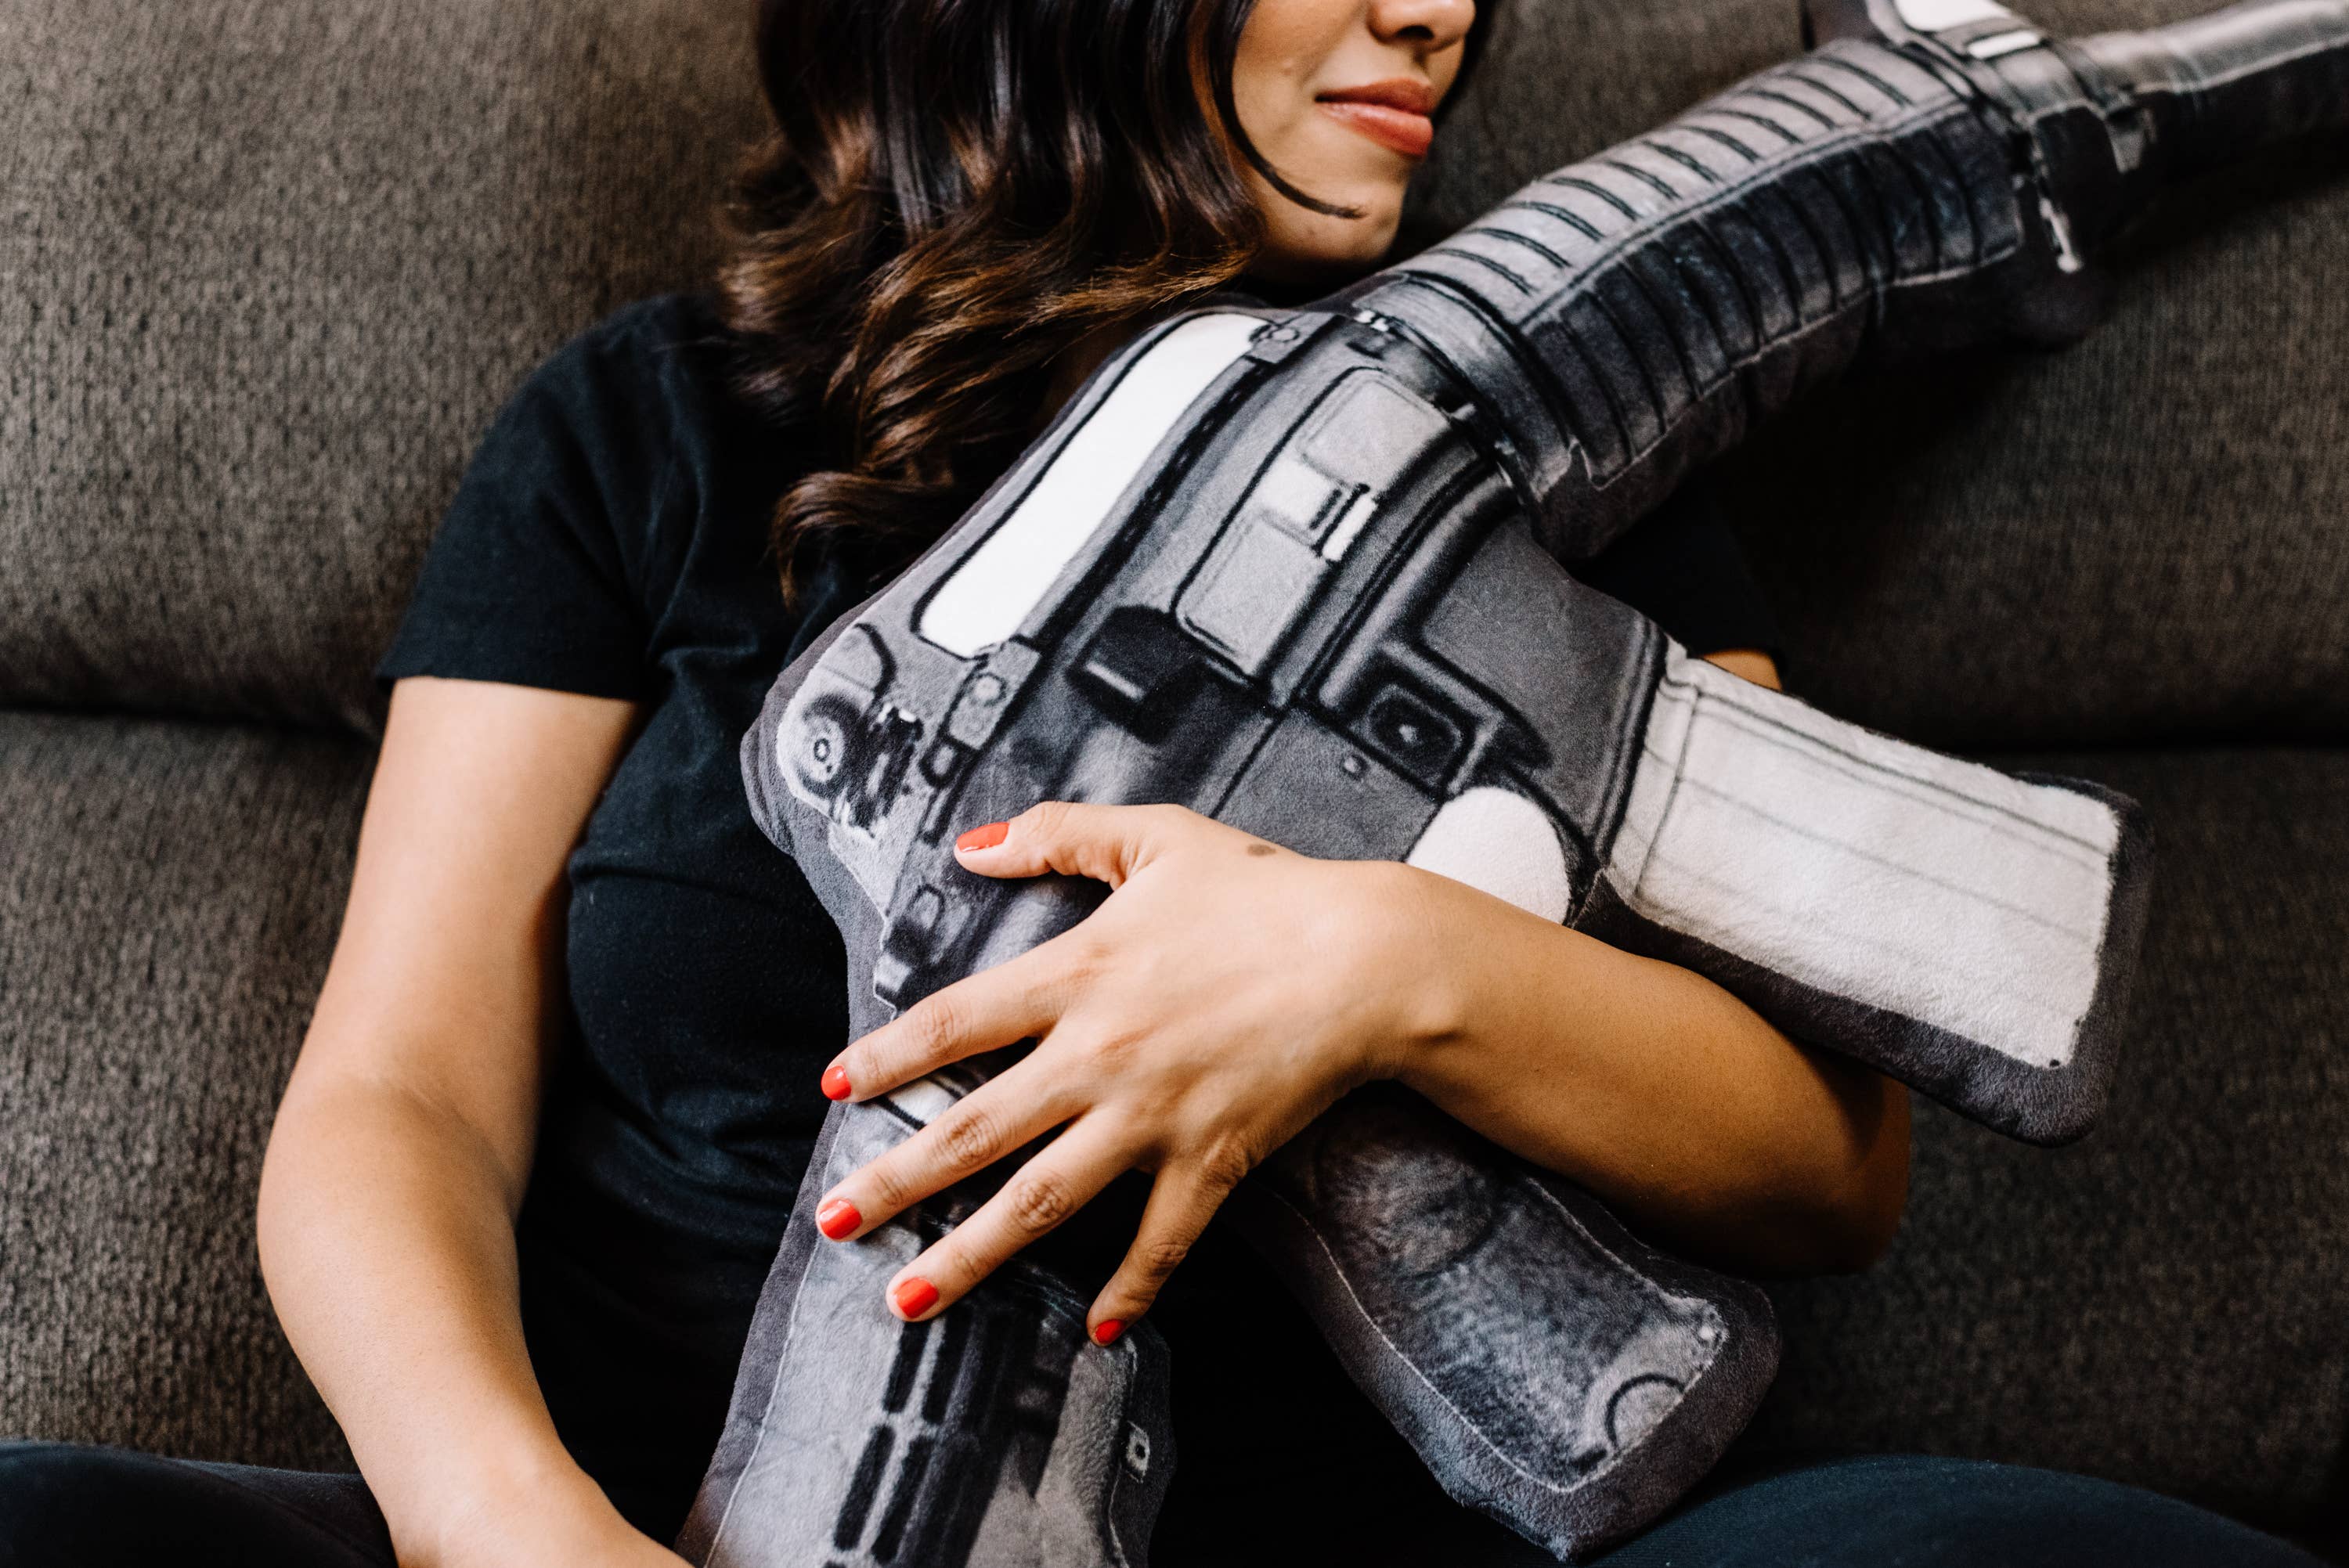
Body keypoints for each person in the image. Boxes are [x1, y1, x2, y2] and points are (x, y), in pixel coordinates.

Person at [0, 2, 2323, 1566]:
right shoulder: (661, 425)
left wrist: (1381, 967)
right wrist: (503, 1521)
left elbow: (1832, 1157)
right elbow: (398, 1098)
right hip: (637, 1504)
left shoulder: (1539, 466)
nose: (1438, 10)